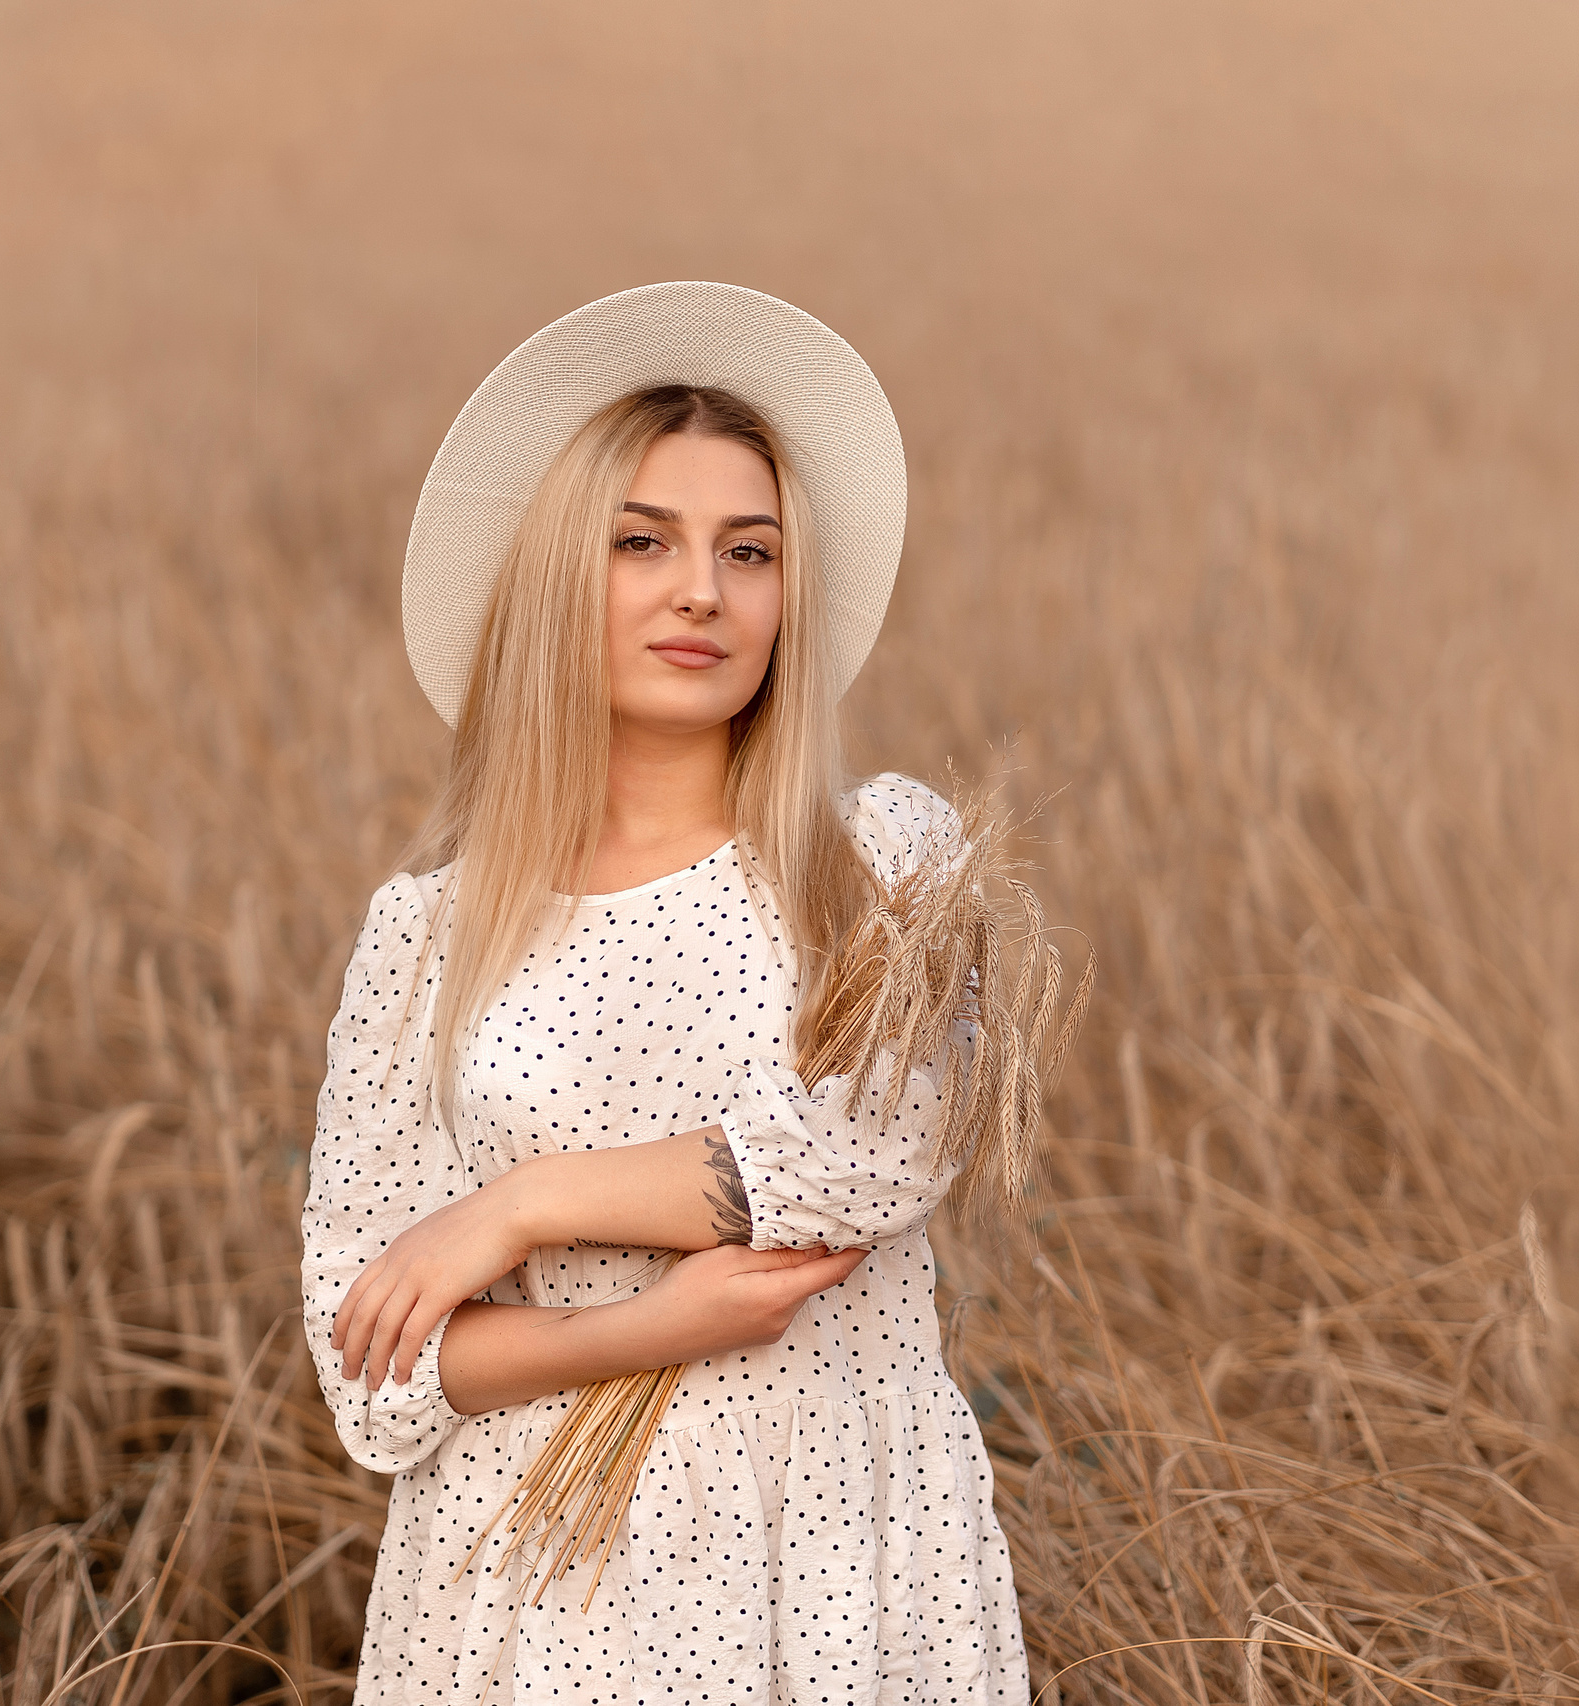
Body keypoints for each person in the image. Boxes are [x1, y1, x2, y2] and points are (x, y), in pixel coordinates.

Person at [302, 282, 1033, 1704]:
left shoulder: (883, 856)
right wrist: (639, 1333)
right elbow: (374, 1359)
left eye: (747, 551)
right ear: (557, 575)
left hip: (835, 1560)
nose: (702, 588)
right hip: (536, 1589)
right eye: (643, 541)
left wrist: (520, 1202)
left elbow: (873, 1153)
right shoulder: (427, 935)